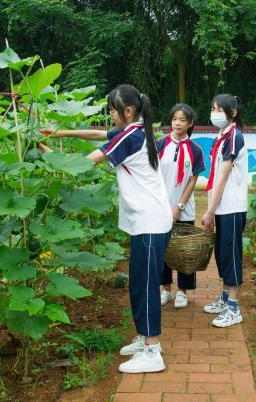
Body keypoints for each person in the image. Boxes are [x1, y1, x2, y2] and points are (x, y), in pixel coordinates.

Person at [39, 84, 171, 373]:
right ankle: (144, 339)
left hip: (150, 222)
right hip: (148, 220)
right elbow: (99, 134)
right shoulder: (137, 130)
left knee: (146, 286)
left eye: (112, 110)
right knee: (139, 283)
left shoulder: (131, 136)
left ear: (128, 110)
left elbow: (84, 165)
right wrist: (58, 133)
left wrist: (45, 150)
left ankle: (152, 351)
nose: (110, 115)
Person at [201, 94, 248, 328]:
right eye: (212, 108)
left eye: (219, 109)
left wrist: (209, 211)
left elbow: (222, 178)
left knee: (231, 254)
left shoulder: (234, 137)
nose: (214, 113)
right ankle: (225, 297)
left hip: (231, 206)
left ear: (233, 113)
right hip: (221, 206)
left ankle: (233, 307)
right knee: (221, 253)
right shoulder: (220, 137)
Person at [156, 104, 205, 309]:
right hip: (160, 207)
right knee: (163, 250)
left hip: (184, 208)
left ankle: (183, 292)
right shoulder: (159, 145)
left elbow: (193, 180)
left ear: (190, 123)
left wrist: (179, 205)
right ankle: (165, 290)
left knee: (185, 251)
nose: (177, 123)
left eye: (182, 120)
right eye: (175, 119)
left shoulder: (195, 149)